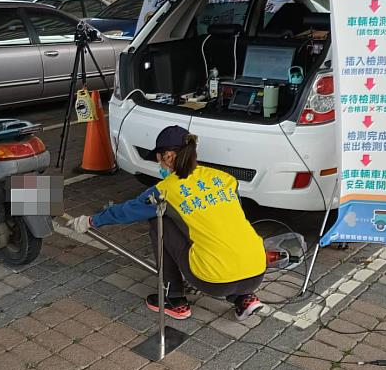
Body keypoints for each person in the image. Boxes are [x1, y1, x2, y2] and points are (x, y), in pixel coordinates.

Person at [67, 125, 266, 321]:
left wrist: (91, 220)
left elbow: (127, 211)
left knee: (158, 218)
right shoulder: (224, 179)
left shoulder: (165, 191)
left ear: (168, 156)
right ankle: (244, 298)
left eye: (159, 159)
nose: (159, 165)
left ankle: (174, 299)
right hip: (257, 271)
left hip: (213, 281)